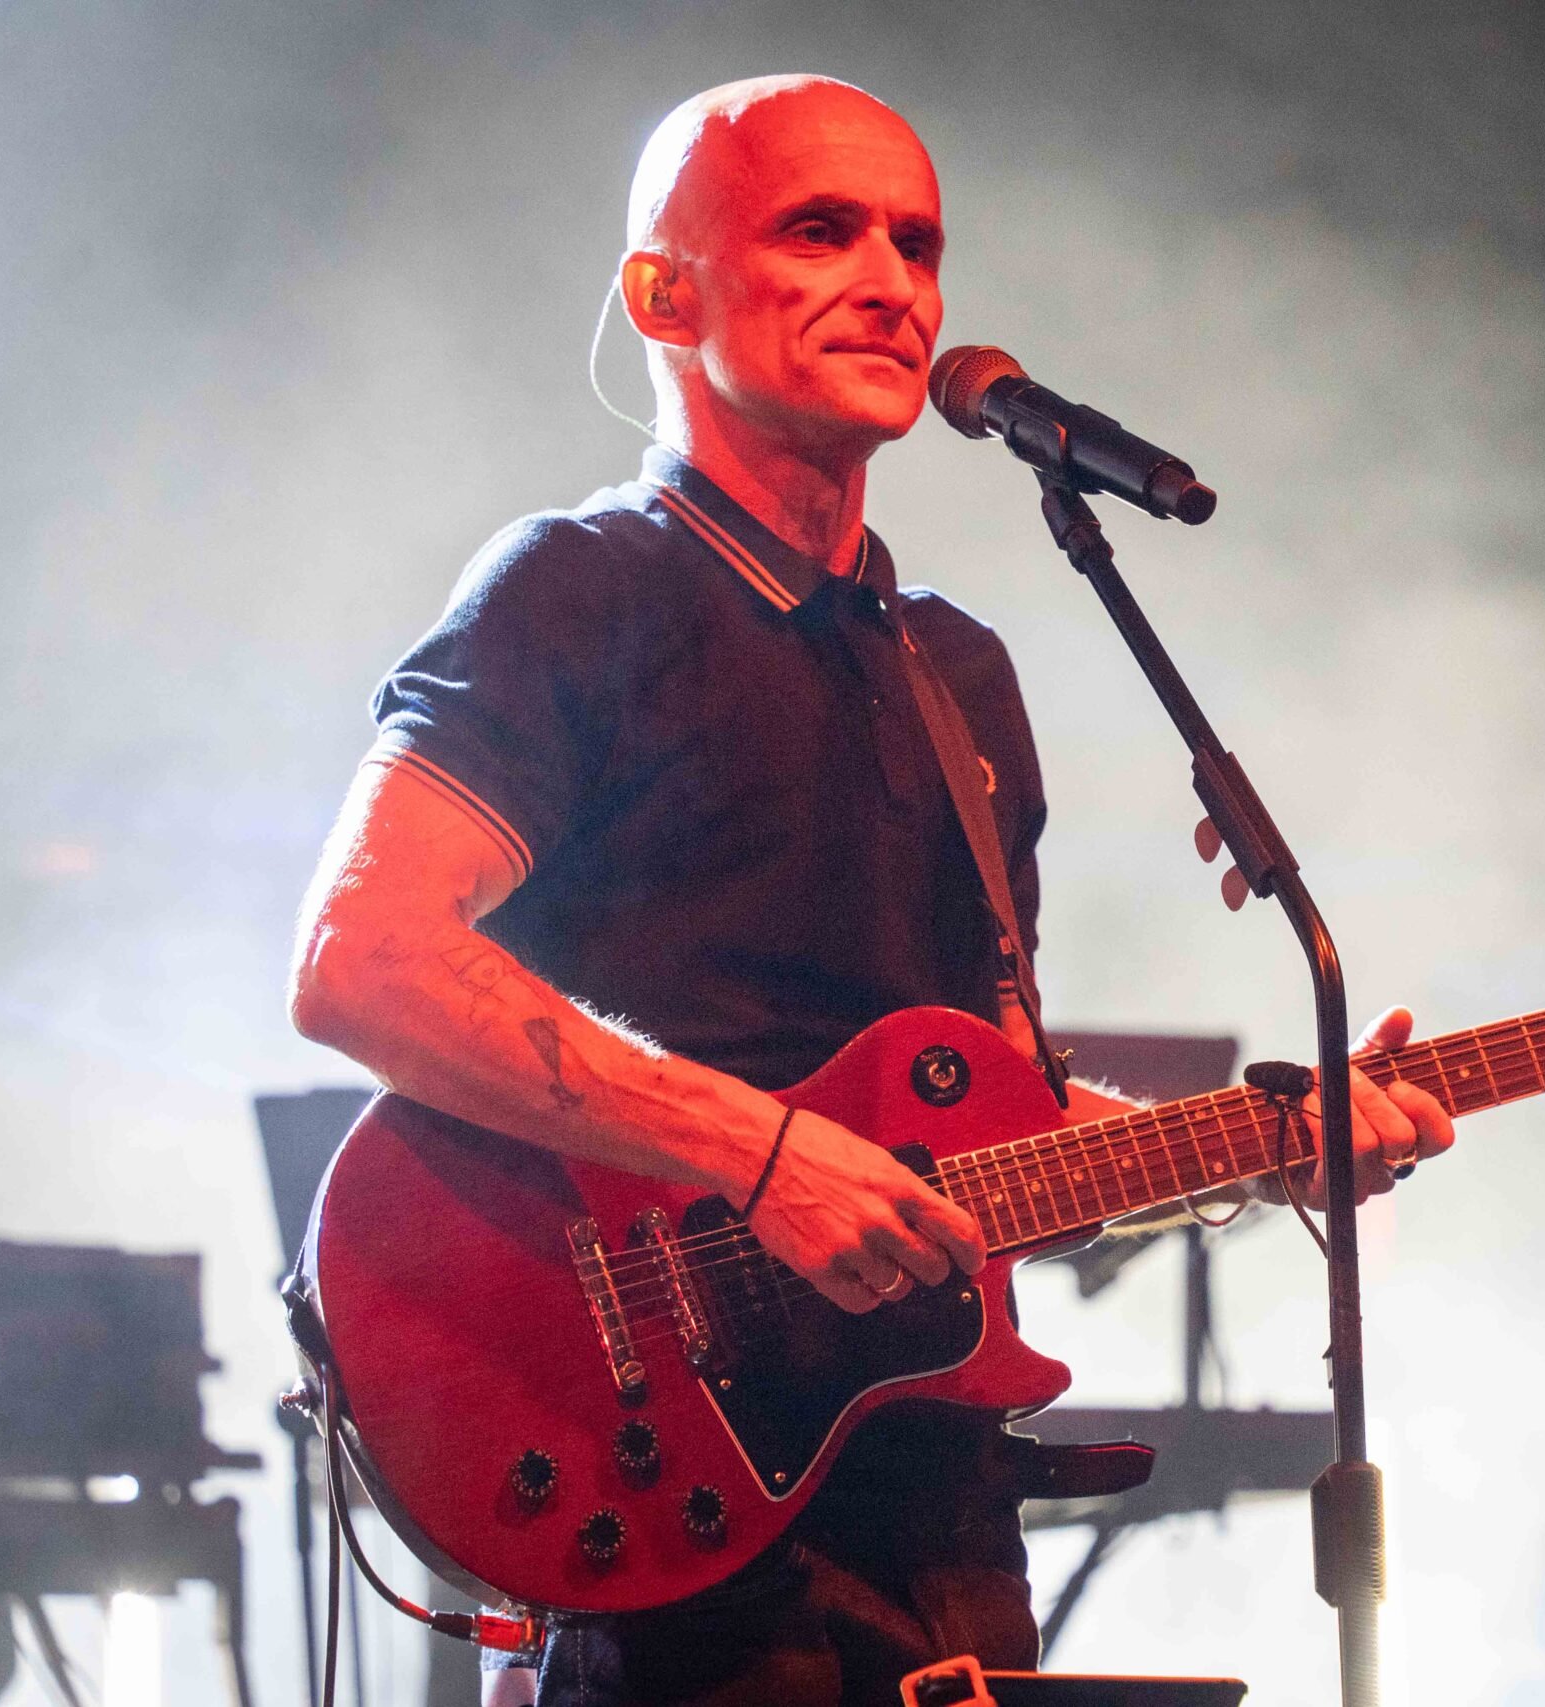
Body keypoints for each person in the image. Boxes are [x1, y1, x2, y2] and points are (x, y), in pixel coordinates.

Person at [287, 74, 1454, 1707]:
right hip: (671, 1526)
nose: (893, 284)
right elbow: (361, 959)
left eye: (919, 245)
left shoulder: (956, 672)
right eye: (821, 231)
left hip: (946, 1527)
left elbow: (985, 1130)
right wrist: (759, 1156)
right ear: (663, 295)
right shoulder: (580, 594)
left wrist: (1265, 1150)